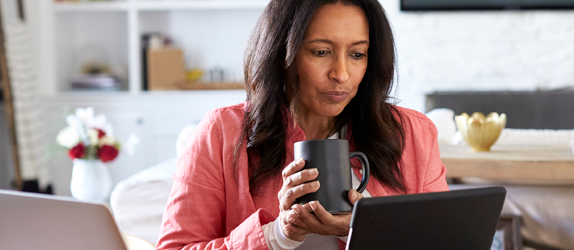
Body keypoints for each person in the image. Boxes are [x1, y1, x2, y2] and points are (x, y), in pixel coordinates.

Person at [155, 0, 449, 249]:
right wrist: (277, 235)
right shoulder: (222, 132)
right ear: (283, 54)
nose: (341, 74)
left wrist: (363, 231)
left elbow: (445, 241)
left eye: (357, 54)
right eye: (321, 52)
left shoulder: (413, 133)